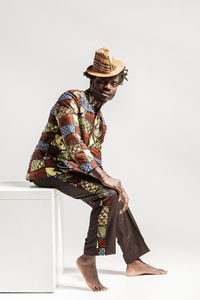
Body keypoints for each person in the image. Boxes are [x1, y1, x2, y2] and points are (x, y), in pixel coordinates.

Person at [25, 47, 168, 292]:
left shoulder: (100, 124)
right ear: (91, 79)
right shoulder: (70, 99)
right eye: (102, 81)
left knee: (116, 195)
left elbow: (94, 161)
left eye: (113, 83)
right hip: (46, 169)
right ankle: (87, 258)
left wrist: (112, 181)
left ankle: (133, 262)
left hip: (69, 171)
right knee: (107, 194)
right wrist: (105, 180)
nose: (108, 88)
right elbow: (73, 145)